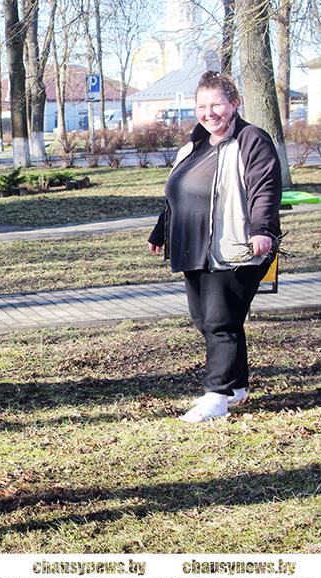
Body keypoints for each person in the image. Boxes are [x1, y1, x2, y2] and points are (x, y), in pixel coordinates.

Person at [147, 71, 281, 423]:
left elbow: (264, 187)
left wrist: (262, 230)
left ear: (233, 103)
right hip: (193, 247)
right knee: (206, 320)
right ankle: (236, 386)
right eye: (202, 106)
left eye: (217, 104)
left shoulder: (251, 139)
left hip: (236, 246)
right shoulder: (192, 146)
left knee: (221, 321)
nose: (209, 113)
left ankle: (215, 396)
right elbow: (175, 195)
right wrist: (159, 232)